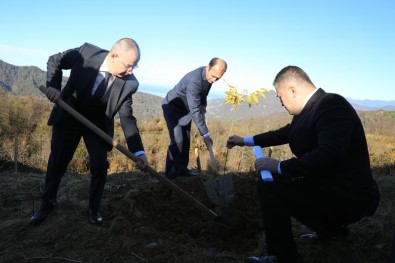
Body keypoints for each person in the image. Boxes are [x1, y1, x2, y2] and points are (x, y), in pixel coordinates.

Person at [227, 66, 380, 263]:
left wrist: (280, 166)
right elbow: (286, 133)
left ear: (292, 90)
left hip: (352, 196)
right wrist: (245, 140)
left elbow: (329, 154)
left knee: (270, 187)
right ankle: (332, 230)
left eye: (280, 96)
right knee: (283, 184)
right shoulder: (309, 110)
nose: (281, 103)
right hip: (331, 187)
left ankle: (283, 257)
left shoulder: (333, 105)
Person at [29, 38, 148, 226]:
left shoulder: (130, 83)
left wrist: (138, 152)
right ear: (114, 56)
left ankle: (94, 210)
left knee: (100, 166)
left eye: (135, 66)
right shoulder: (86, 53)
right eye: (128, 66)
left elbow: (127, 118)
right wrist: (53, 86)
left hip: (97, 126)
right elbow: (55, 61)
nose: (131, 71)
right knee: (57, 162)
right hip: (69, 115)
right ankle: (47, 204)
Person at [162, 58, 227, 180]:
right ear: (208, 67)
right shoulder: (195, 81)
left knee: (186, 139)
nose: (213, 80)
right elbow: (195, 110)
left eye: (217, 78)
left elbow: (203, 94)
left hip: (185, 111)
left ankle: (182, 169)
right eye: (213, 76)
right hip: (172, 108)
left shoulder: (208, 77)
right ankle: (169, 176)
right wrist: (206, 134)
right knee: (177, 141)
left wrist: (204, 105)